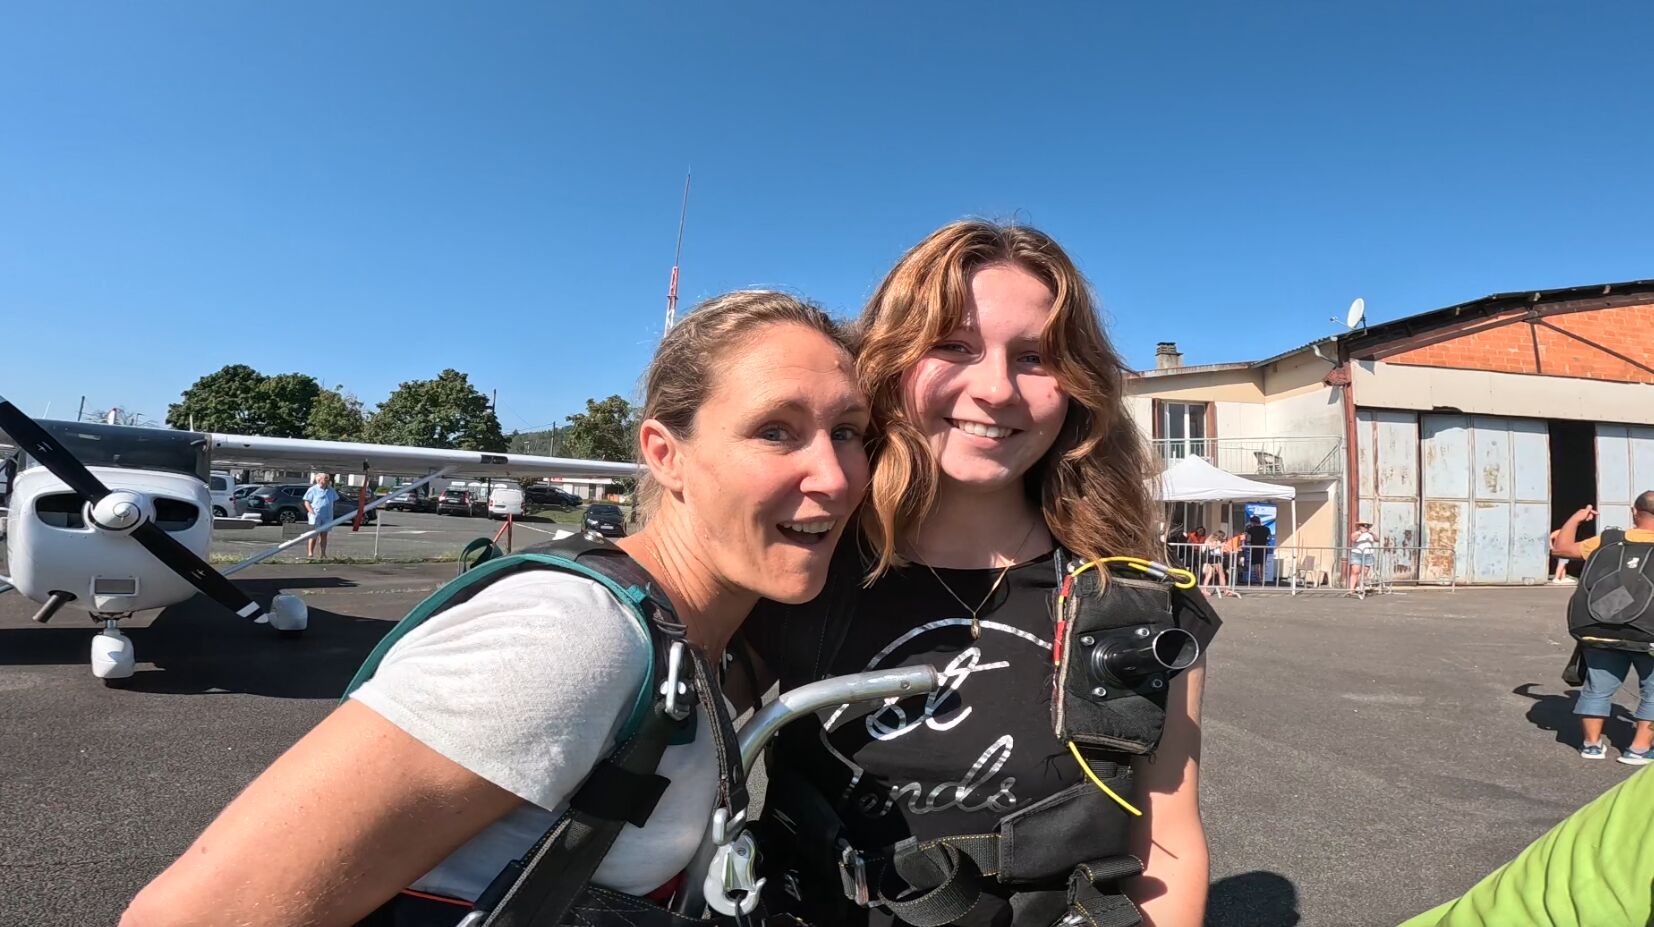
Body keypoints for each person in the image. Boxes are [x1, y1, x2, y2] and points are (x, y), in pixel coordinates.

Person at [120, 291, 872, 927]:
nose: (834, 477)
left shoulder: (709, 646)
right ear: (665, 453)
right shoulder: (572, 639)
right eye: (776, 430)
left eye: (848, 433)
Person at [745, 220, 1221, 927]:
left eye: (1033, 357)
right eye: (954, 345)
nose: (996, 389)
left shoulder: (1140, 606)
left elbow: (1170, 842)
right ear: (891, 361)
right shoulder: (800, 572)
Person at [1552, 498, 1654, 765]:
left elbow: (1561, 549)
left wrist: (1576, 518)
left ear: (1634, 512)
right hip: (1650, 632)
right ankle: (1639, 750)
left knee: (1597, 688)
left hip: (1600, 625)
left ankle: (1592, 745)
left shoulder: (1607, 540)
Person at [303, 473, 340, 560]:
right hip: (315, 516)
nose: (327, 480)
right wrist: (311, 511)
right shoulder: (312, 489)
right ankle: (310, 553)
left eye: (327, 479)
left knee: (324, 535)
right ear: (319, 480)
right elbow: (306, 502)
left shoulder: (331, 489)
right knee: (313, 535)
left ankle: (323, 554)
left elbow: (334, 500)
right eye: (325, 479)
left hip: (327, 516)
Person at [1347, 520, 1378, 597]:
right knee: (1355, 571)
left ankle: (1359, 587)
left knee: (1364, 572)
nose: (1365, 527)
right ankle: (1351, 590)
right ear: (1359, 526)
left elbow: (1377, 539)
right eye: (1363, 525)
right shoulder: (1356, 533)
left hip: (1368, 554)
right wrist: (1361, 533)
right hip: (1357, 553)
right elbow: (1353, 539)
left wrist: (1372, 533)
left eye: (1366, 526)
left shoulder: (1370, 534)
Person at [1243, 515, 1271, 585]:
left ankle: (1259, 580)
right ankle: (1263, 580)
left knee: (1256, 564)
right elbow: (1269, 538)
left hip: (1255, 548)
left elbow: (1248, 539)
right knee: (1262, 564)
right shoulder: (1267, 529)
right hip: (1264, 548)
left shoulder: (1251, 529)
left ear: (1252, 522)